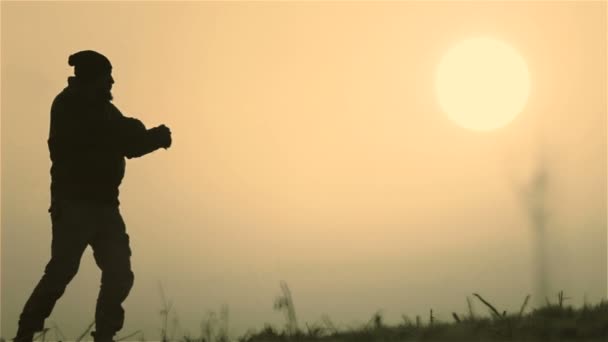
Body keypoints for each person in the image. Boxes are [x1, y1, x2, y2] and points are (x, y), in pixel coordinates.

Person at [13, 50, 172, 342]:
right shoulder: (69, 106)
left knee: (119, 273)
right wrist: (142, 133)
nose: (111, 82)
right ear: (92, 78)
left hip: (105, 207)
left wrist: (152, 138)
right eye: (106, 76)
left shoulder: (103, 110)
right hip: (74, 205)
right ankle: (26, 331)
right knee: (61, 272)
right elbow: (117, 136)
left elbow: (129, 143)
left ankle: (105, 335)